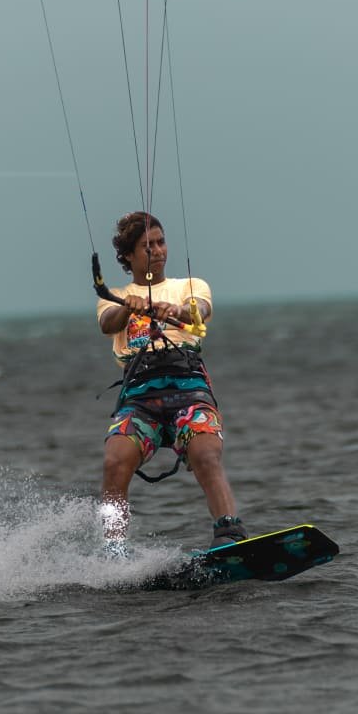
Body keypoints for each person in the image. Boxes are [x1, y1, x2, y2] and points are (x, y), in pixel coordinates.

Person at [95, 211, 247, 556]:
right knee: (114, 460)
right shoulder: (115, 295)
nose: (158, 251)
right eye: (147, 245)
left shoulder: (189, 286)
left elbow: (199, 309)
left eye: (161, 242)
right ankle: (113, 550)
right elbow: (108, 323)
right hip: (140, 398)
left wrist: (175, 311)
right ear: (128, 256)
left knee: (206, 453)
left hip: (188, 389)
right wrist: (129, 308)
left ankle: (229, 531)